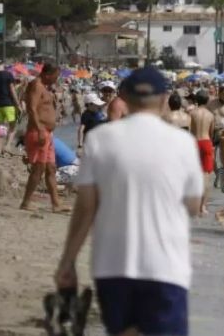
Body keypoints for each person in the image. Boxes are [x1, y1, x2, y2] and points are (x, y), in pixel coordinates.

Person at [55, 67, 203, 336]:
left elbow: (85, 208)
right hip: (166, 266)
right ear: (163, 99)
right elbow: (193, 206)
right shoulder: (183, 143)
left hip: (112, 265)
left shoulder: (100, 139)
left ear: (124, 98)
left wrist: (67, 262)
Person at [20, 61, 69, 213]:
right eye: (55, 76)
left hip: (47, 133)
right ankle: (26, 202)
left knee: (51, 168)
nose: (56, 79)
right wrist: (40, 128)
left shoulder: (44, 87)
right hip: (38, 132)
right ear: (47, 74)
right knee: (39, 168)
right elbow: (31, 108)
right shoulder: (36, 85)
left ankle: (56, 204)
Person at [189, 90, 216, 217]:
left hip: (194, 142)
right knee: (206, 177)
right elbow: (211, 133)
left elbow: (190, 130)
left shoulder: (192, 113)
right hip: (206, 142)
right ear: (207, 100)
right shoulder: (211, 115)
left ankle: (193, 205)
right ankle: (203, 207)